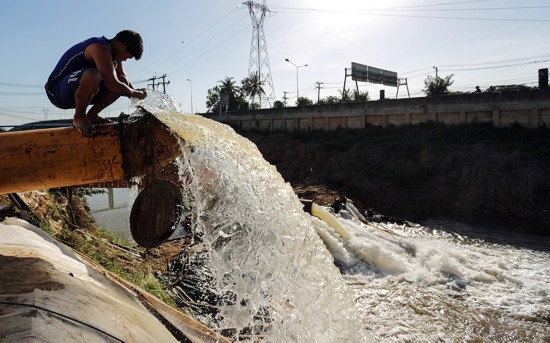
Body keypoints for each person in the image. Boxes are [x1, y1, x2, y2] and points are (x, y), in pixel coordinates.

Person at [45, 30, 147, 137]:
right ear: (121, 47)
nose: (125, 60)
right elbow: (113, 84)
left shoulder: (116, 57)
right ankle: (79, 117)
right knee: (93, 75)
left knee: (122, 81)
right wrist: (135, 93)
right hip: (56, 91)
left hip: (81, 91)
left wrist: (140, 102)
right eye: (127, 57)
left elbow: (124, 81)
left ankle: (92, 116)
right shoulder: (99, 47)